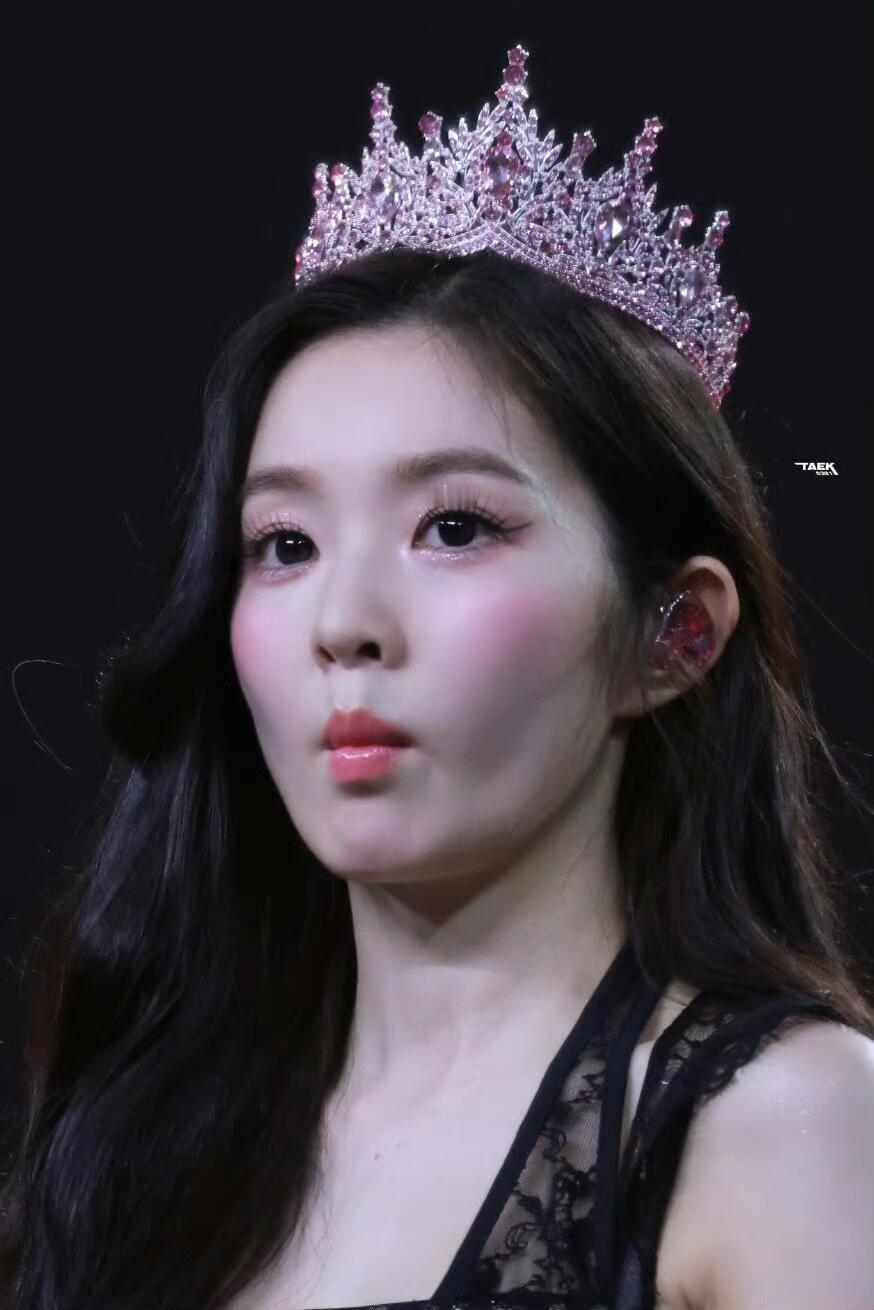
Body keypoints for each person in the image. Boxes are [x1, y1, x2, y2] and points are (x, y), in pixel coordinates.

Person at [1, 42, 873, 1310]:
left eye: (454, 526)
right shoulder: (138, 1134)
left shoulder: (783, 1128)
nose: (345, 622)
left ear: (673, 633)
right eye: (284, 544)